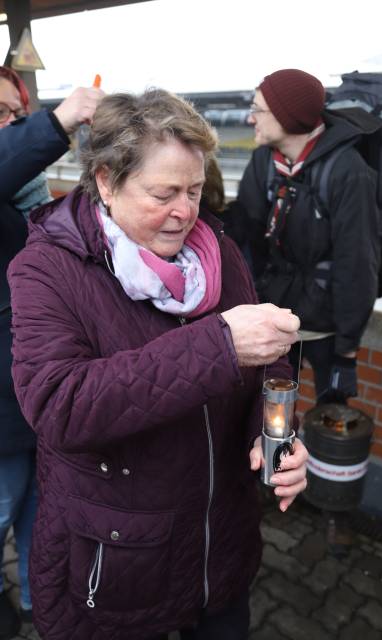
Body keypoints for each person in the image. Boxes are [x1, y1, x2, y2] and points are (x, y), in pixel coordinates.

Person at [8, 88, 307, 640]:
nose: (185, 212)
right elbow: (58, 405)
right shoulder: (47, 268)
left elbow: (262, 365)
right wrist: (218, 345)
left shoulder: (215, 246)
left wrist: (277, 435)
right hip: (116, 564)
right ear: (105, 181)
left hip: (219, 552)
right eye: (163, 192)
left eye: (194, 190)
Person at [0, 67, 103, 639]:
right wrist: (58, 121)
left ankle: (45, 600)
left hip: (41, 395)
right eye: (1, 113)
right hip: (4, 401)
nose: (13, 122)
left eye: (17, 112)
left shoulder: (28, 198)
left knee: (46, 514)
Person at [230, 68, 380, 403]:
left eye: (258, 109)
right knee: (270, 411)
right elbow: (245, 232)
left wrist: (347, 352)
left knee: (330, 415)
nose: (250, 118)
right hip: (277, 312)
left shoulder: (348, 170)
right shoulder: (264, 162)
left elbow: (356, 263)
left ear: (288, 116)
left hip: (326, 324)